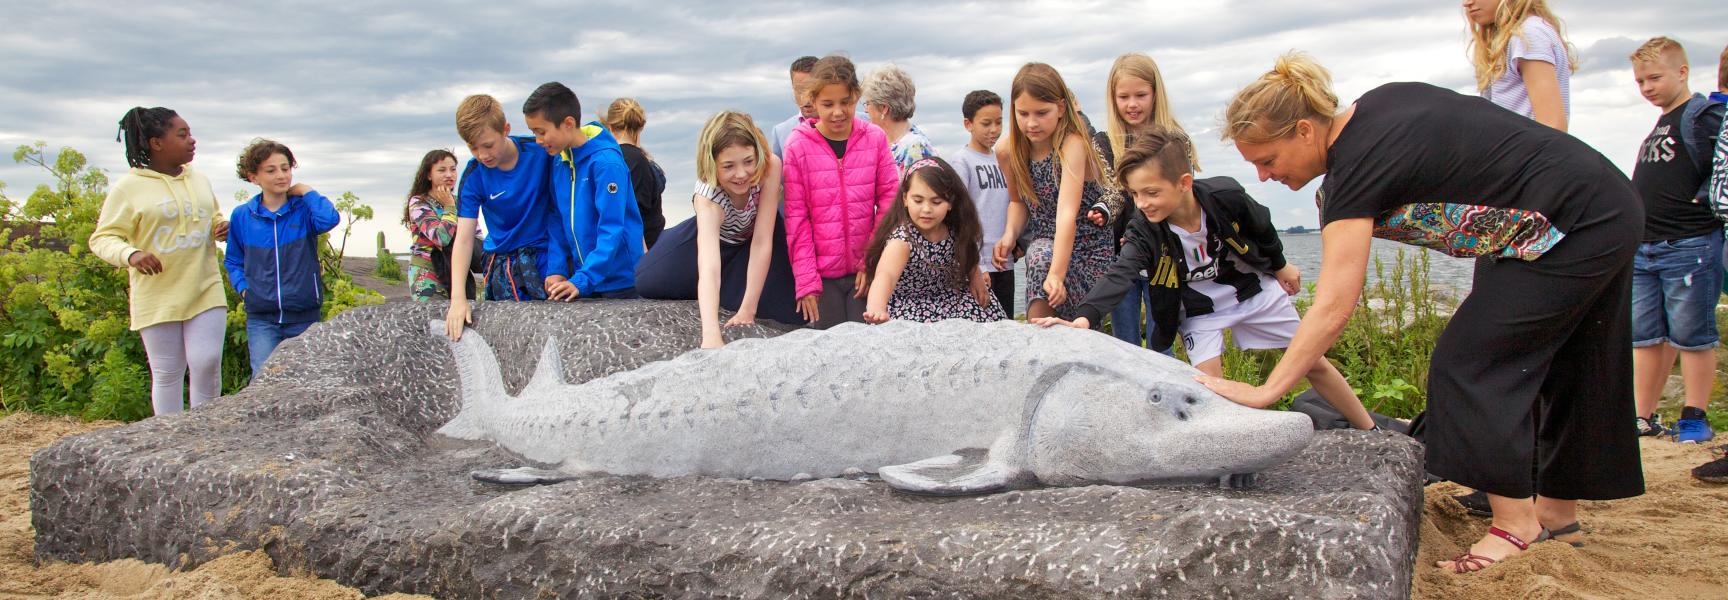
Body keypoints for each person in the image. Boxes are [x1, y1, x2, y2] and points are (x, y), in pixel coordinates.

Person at [1200, 52, 1644, 571]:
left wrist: (1267, 390)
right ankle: (1557, 515)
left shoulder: (1356, 167)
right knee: (1571, 360)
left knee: (1470, 362)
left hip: (1571, 222)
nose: (1262, 175)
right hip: (1593, 205)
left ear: (1303, 130)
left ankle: (1516, 526)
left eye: (1268, 160)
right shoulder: (1380, 108)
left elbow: (1335, 304)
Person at [1034, 131, 1374, 430]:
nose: (1142, 204)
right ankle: (1230, 452)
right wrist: (1084, 318)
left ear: (1184, 182)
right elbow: (1119, 273)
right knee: (1210, 385)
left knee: (1312, 361)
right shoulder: (1143, 229)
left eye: (1151, 192)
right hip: (1200, 310)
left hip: (1251, 291)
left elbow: (1263, 226)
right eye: (1135, 194)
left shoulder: (1226, 196)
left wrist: (1281, 266)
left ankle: (1369, 429)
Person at [89, 107, 228, 415]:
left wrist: (221, 226)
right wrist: (131, 254)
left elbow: (212, 214)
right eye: (182, 134)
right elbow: (102, 238)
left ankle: (208, 435)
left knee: (207, 363)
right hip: (156, 293)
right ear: (156, 143)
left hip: (204, 285)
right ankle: (172, 440)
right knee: (167, 373)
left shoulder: (200, 179)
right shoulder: (129, 187)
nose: (192, 140)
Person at [635, 111, 805, 348]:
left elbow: (762, 240)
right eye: (728, 166)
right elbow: (709, 267)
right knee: (647, 280)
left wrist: (748, 309)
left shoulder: (770, 166)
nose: (741, 174)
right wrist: (711, 334)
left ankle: (732, 291)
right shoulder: (708, 197)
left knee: (788, 311)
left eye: (748, 161)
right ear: (712, 164)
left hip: (752, 238)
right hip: (714, 240)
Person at [1627, 37, 1725, 444]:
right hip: (1646, 244)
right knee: (1645, 335)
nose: (1647, 87)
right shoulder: (1663, 121)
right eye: (1640, 81)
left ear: (1682, 72)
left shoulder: (1703, 116)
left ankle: (1694, 416)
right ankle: (1642, 416)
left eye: (1655, 77)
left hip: (1689, 242)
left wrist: (1702, 197)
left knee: (1692, 335)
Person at [991, 62, 1122, 321]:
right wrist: (1009, 234)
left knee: (1042, 258)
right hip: (1045, 244)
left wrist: (1057, 275)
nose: (1031, 123)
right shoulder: (1008, 150)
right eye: (1023, 113)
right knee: (1040, 254)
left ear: (1061, 108)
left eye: (1042, 113)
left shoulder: (1072, 145)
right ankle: (1037, 344)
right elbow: (1018, 202)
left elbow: (1066, 213)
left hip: (1088, 248)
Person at [782, 54, 899, 329]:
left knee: (869, 346)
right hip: (822, 278)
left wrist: (871, 261)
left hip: (866, 270)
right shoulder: (797, 146)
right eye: (828, 104)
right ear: (812, 101)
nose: (837, 112)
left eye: (845, 102)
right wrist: (807, 280)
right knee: (829, 354)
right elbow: (797, 219)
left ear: (857, 96)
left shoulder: (874, 138)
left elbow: (890, 202)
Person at [441, 94, 570, 341]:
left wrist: (558, 267)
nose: (482, 154)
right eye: (472, 147)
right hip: (502, 265)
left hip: (542, 257)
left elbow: (559, 212)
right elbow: (465, 238)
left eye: (488, 145)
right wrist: (458, 299)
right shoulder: (474, 175)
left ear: (506, 129)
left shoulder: (541, 153)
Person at [1096, 52, 1193, 348]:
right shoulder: (1104, 142)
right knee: (1123, 345)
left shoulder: (1176, 141)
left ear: (1155, 93)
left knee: (1160, 342)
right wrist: (1101, 211)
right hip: (1120, 257)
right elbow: (1112, 194)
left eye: (1141, 95)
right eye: (1123, 97)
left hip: (1162, 255)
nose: (1132, 104)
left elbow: (1182, 197)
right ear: (1113, 99)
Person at [224, 139, 340, 377]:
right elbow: (233, 260)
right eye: (271, 170)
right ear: (253, 177)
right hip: (262, 318)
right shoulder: (242, 216)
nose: (281, 175)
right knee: (265, 377)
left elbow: (329, 219)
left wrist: (306, 191)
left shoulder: (303, 210)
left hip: (304, 314)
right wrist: (245, 290)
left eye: (285, 168)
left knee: (308, 377)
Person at [522, 82, 646, 302]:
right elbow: (557, 217)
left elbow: (612, 228)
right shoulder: (560, 161)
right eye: (534, 132)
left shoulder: (606, 164)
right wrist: (557, 268)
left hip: (620, 282)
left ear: (568, 123)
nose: (538, 140)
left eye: (542, 132)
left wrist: (583, 279)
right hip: (584, 279)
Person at [863, 157, 1005, 324]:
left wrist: (976, 277)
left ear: (950, 203)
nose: (926, 209)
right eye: (918, 200)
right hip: (912, 307)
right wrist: (876, 308)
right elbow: (885, 276)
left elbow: (967, 254)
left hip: (953, 300)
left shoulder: (956, 230)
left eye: (936, 201)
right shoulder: (902, 241)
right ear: (905, 200)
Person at [1462, 0, 1575, 130]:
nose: (1467, 3)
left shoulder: (1528, 34)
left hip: (1529, 150)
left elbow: (1553, 126)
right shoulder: (1519, 35)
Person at [952, 90, 1015, 316]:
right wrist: (975, 265)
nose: (994, 130)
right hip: (979, 263)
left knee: (1006, 325)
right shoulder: (962, 161)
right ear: (968, 124)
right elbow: (958, 217)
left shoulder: (1004, 159)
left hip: (1004, 261)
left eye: (999, 122)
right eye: (986, 123)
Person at [403, 149, 478, 302]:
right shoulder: (418, 202)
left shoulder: (461, 202)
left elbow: (476, 236)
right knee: (434, 320)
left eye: (453, 169)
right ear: (429, 175)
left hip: (456, 270)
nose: (449, 175)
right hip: (427, 272)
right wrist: (449, 206)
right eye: (442, 170)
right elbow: (440, 237)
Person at [603, 98, 667, 249]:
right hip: (643, 250)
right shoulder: (636, 160)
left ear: (610, 127)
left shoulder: (606, 158)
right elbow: (634, 217)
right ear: (641, 126)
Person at [862, 63, 938, 176]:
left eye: (867, 103)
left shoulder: (916, 148)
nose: (865, 110)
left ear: (883, 108)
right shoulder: (886, 143)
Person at [771, 56, 820, 159]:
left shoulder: (859, 121)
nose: (806, 99)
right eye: (799, 90)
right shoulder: (780, 132)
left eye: (812, 89)